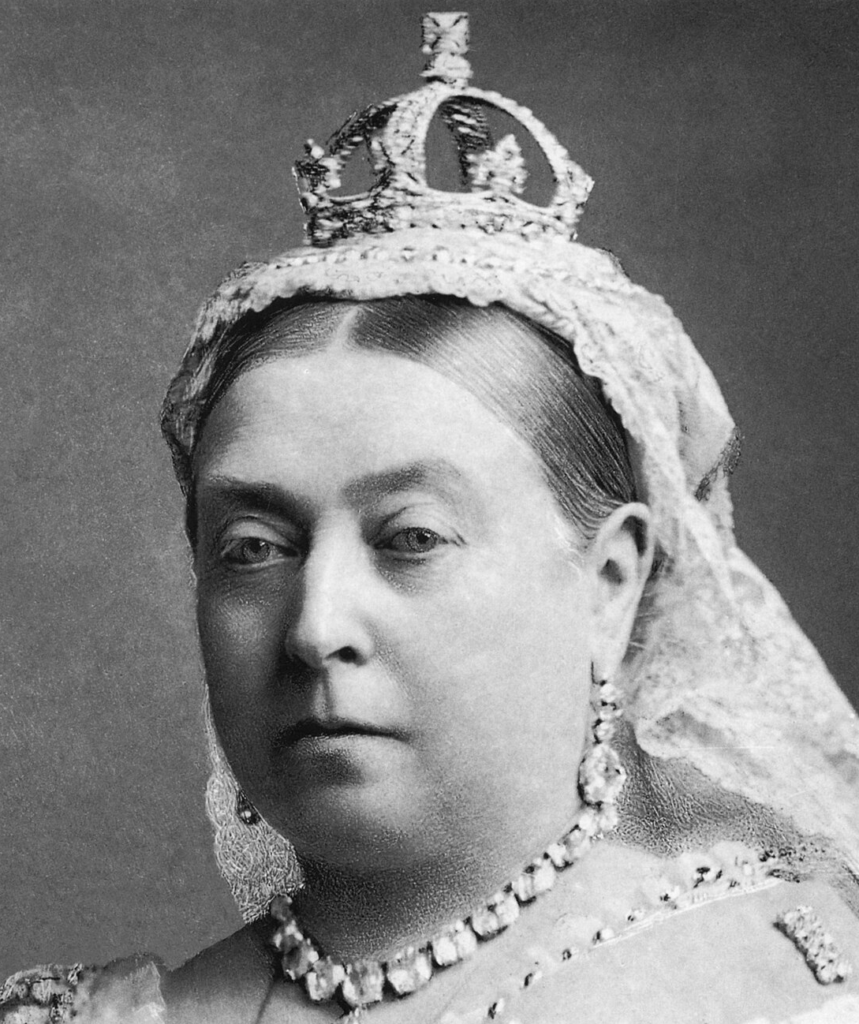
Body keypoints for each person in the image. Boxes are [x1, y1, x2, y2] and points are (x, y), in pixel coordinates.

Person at [3, 11, 858, 1024]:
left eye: (410, 538)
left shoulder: (784, 987)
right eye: (253, 548)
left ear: (610, 582)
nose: (316, 626)